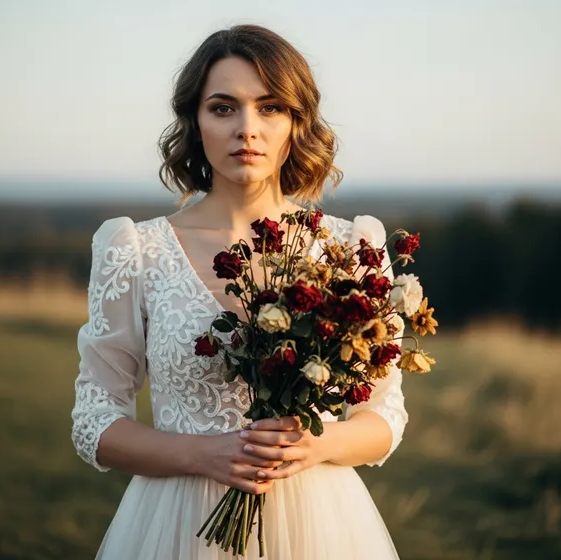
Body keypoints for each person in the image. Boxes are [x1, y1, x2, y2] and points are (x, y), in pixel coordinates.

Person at [71, 24, 408, 559]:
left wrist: (319, 444)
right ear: (195, 122)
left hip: (321, 525)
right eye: (223, 107)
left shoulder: (350, 248)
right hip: (177, 524)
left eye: (270, 107)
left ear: (297, 122)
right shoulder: (136, 250)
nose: (246, 128)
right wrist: (202, 455)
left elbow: (385, 417)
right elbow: (95, 424)